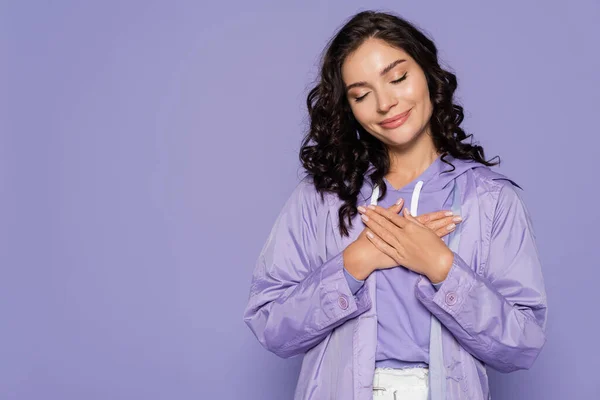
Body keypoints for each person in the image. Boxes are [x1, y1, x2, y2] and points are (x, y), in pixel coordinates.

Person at [243, 10, 547, 400]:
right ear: (348, 107)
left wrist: (442, 267)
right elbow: (270, 325)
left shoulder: (490, 200)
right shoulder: (321, 197)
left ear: (427, 72)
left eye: (398, 77)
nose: (385, 103)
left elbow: (523, 343)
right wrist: (355, 262)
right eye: (362, 94)